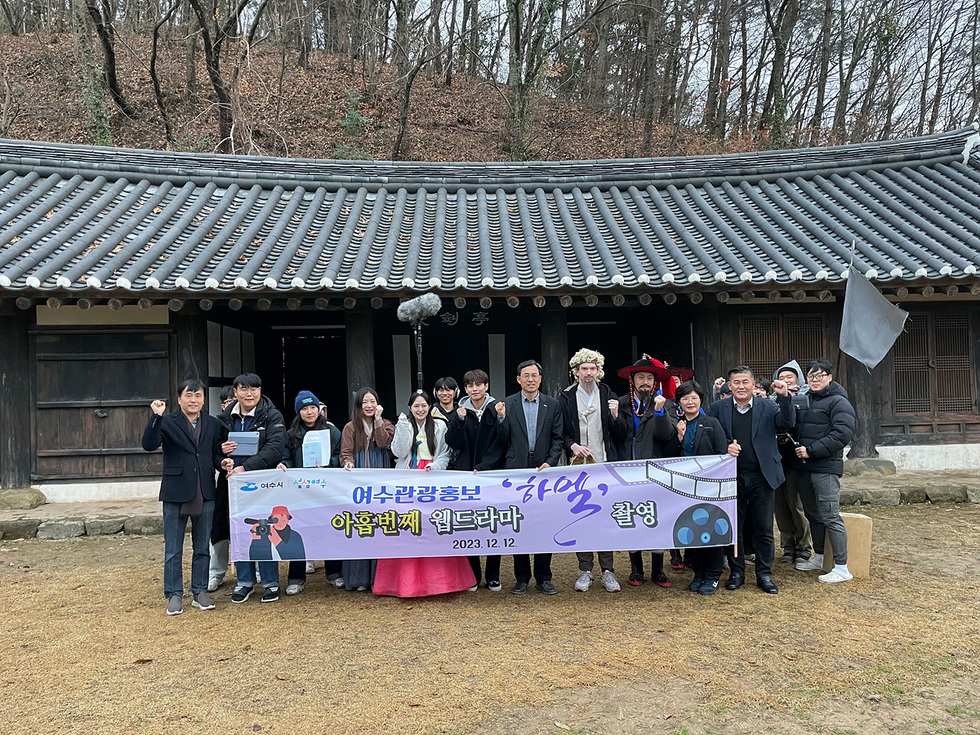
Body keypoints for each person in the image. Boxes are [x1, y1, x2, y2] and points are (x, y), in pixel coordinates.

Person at [374, 390, 477, 597]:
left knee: (435, 527)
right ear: (410, 407)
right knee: (407, 527)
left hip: (432, 480)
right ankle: (404, 583)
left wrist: (435, 466)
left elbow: (445, 454)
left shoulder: (439, 426)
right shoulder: (404, 424)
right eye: (416, 406)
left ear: (429, 407)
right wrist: (402, 426)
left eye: (424, 406)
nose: (420, 410)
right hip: (407, 481)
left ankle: (444, 581)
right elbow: (399, 452)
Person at [141, 379, 227, 615]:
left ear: (203, 399)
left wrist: (224, 462)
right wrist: (156, 416)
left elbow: (215, 453)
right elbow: (149, 444)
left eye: (198, 396)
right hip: (175, 491)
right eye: (188, 396)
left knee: (202, 546)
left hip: (205, 489)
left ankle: (199, 591)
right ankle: (174, 594)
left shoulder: (212, 423)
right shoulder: (167, 421)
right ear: (179, 399)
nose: (193, 400)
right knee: (173, 548)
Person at [708, 366, 794, 595]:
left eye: (745, 382)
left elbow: (786, 422)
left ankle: (764, 573)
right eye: (736, 382)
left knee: (763, 528)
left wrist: (784, 396)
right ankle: (737, 572)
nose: (741, 386)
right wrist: (725, 446)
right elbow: (710, 434)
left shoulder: (768, 405)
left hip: (762, 475)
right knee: (734, 528)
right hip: (731, 476)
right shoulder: (718, 408)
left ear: (753, 384)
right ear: (729, 385)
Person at [557, 348, 627, 593]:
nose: (588, 373)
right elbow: (560, 432)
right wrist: (572, 445)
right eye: (584, 369)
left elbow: (621, 434)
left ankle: (608, 570)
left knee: (604, 517)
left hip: (604, 464)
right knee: (581, 516)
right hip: (577, 468)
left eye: (593, 369)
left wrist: (616, 415)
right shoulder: (565, 397)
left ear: (599, 371)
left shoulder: (608, 394)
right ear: (576, 372)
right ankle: (585, 569)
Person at [217, 373, 287, 604]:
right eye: (244, 389)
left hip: (262, 482)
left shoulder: (272, 415)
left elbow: (275, 448)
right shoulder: (224, 418)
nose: (250, 393)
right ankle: (244, 582)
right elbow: (212, 449)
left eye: (254, 388)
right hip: (232, 484)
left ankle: (270, 582)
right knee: (239, 531)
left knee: (264, 530)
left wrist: (245, 467)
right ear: (235, 391)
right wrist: (222, 457)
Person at [496, 360, 564, 595]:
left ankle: (544, 577)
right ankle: (522, 577)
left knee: (545, 523)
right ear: (518, 379)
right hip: (517, 470)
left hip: (543, 470)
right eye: (526, 375)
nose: (531, 379)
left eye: (535, 375)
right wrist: (502, 419)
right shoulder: (508, 403)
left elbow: (558, 438)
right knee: (520, 523)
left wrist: (551, 462)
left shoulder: (552, 404)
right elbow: (502, 439)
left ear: (541, 378)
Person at [792, 359, 857, 584]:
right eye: (811, 376)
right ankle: (819, 557)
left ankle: (841, 567)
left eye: (820, 376)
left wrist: (812, 451)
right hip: (804, 467)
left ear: (830, 377)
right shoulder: (804, 400)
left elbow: (842, 434)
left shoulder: (839, 402)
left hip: (825, 467)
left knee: (830, 516)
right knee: (813, 515)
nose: (815, 380)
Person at [616, 355, 677, 587]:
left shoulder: (666, 403)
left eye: (649, 378)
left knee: (656, 517)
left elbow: (668, 436)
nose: (644, 382)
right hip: (627, 467)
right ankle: (636, 569)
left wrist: (660, 413)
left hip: (655, 468)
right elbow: (616, 434)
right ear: (632, 380)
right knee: (632, 516)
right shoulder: (622, 403)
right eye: (640, 377)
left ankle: (658, 570)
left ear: (655, 382)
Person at [277, 390, 344, 595]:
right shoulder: (290, 434)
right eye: (305, 408)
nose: (309, 412)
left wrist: (328, 465)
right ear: (299, 411)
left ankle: (334, 572)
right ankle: (296, 577)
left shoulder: (332, 432)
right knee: (298, 530)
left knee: (330, 527)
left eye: (313, 407)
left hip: (326, 488)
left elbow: (339, 456)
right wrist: (285, 465)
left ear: (319, 409)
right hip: (300, 490)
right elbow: (285, 456)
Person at [445, 369, 506, 590]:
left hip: (492, 475)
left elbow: (502, 441)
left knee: (493, 524)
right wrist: (459, 420)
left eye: (479, 384)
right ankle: (472, 576)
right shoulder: (460, 410)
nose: (475, 389)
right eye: (470, 385)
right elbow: (453, 442)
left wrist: (501, 418)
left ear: (486, 386)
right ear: (466, 389)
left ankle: (493, 575)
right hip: (466, 477)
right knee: (468, 525)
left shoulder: (496, 407)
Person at [669, 380, 729, 595]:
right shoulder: (677, 423)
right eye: (685, 398)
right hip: (686, 486)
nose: (690, 402)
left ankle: (712, 576)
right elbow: (671, 456)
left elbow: (722, 454)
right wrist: (679, 436)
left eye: (694, 398)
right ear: (679, 402)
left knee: (711, 529)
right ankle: (698, 573)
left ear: (700, 400)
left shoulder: (711, 423)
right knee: (693, 530)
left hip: (710, 486)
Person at [339, 387, 394, 591]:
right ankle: (358, 578)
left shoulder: (386, 424)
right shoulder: (350, 427)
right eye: (365, 402)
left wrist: (379, 420)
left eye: (373, 402)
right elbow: (345, 452)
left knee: (381, 524)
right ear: (359, 406)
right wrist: (348, 463)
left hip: (381, 476)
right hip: (359, 480)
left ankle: (379, 578)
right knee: (360, 525)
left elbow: (383, 443)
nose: (369, 406)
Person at [771, 361, 813, 566]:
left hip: (796, 460)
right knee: (780, 506)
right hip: (776, 459)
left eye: (791, 377)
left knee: (796, 505)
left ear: (798, 379)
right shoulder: (771, 401)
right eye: (783, 377)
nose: (786, 380)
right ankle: (787, 546)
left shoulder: (807, 398)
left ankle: (803, 546)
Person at [207, 385, 236, 592]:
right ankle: (216, 572)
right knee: (220, 525)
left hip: (251, 479)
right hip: (226, 480)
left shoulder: (259, 419)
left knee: (254, 523)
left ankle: (258, 571)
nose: (231, 405)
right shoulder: (217, 424)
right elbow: (210, 452)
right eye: (226, 402)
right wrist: (220, 454)